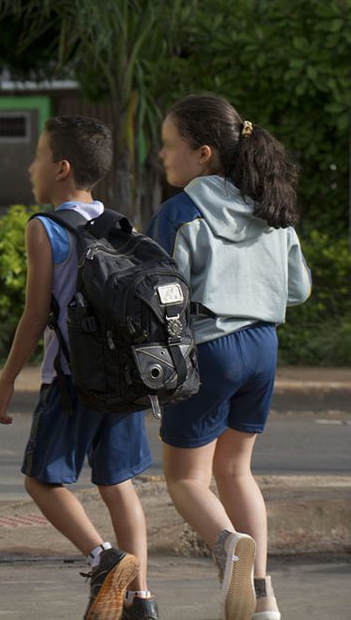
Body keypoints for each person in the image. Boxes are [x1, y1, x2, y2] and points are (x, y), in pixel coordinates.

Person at [147, 95, 311, 620]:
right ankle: (263, 598)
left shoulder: (180, 214)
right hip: (263, 347)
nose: (162, 155)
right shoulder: (272, 210)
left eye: (170, 145)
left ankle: (229, 545)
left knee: (186, 480)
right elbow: (299, 289)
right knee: (237, 472)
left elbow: (156, 293)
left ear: (203, 153)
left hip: (209, 350)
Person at [0, 116, 159, 620]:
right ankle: (140, 600)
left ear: (61, 168)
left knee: (42, 481)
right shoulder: (123, 225)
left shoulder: (45, 228)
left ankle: (103, 559)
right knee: (117, 484)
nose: (31, 167)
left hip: (70, 381)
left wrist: (6, 380)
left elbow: (35, 315)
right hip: (124, 379)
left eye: (38, 156)